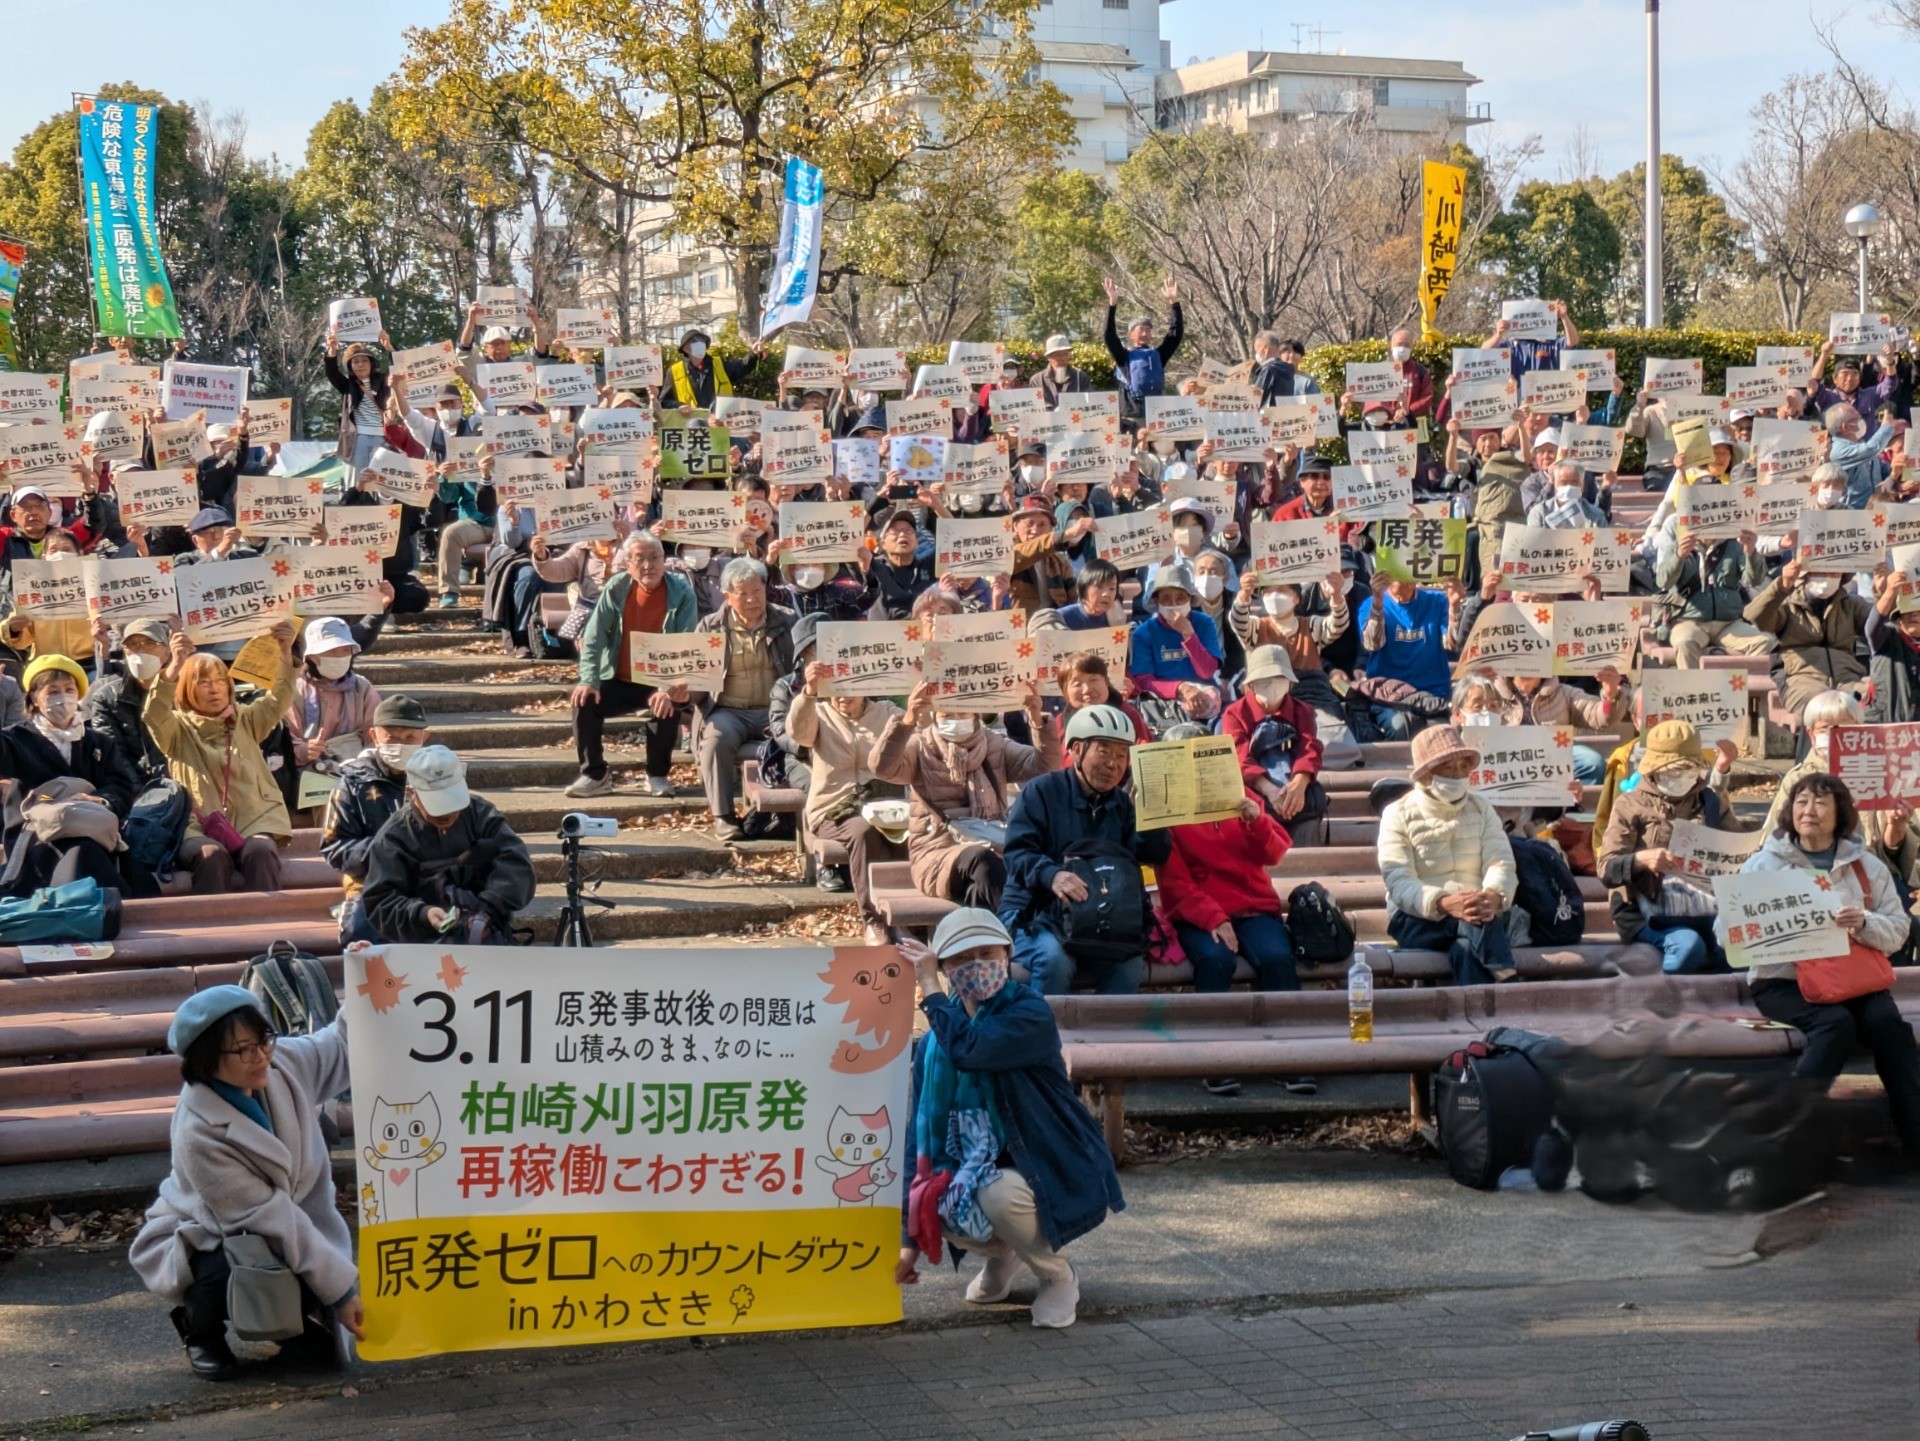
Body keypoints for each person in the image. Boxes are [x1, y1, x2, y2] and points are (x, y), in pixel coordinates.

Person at [894, 908, 1123, 1330]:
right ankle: (1005, 1256)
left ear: (1007, 954)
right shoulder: (932, 1045)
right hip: (986, 1174)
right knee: (933, 1195)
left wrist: (928, 987)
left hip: (1049, 1164)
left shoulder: (1028, 1013)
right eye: (962, 959)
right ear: (946, 966)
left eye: (987, 952)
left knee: (996, 1193)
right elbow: (917, 1142)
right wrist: (906, 1241)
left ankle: (1057, 1275)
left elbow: (971, 1049)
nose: (978, 965)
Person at [130, 987, 363, 1381]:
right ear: (205, 1061)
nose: (260, 1057)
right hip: (211, 1233)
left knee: (299, 1265)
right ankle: (199, 1328)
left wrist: (363, 986)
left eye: (263, 1040)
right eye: (242, 1050)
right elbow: (265, 1216)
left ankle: (288, 1323)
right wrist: (341, 1291)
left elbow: (339, 1045)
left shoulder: (281, 1064)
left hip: (288, 1227)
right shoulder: (198, 1130)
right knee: (233, 1265)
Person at [1740, 772, 1920, 1160]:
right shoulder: (1763, 865)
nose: (1810, 810)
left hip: (1854, 978)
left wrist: (1864, 923)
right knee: (1834, 1024)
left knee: (1888, 1025)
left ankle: (1915, 1136)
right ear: (1789, 810)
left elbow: (1899, 930)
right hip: (1784, 980)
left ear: (1841, 813)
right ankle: (1784, 1137)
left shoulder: (1866, 866)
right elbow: (1731, 931)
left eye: (1822, 802)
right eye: (1802, 801)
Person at [999, 704, 1171, 994]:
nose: (1113, 764)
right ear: (1077, 750)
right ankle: (1046, 1035)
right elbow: (1017, 853)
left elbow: (1151, 855)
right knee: (1055, 960)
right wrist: (1052, 875)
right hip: (1034, 912)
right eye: (1103, 752)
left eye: (1121, 755)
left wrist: (1154, 815)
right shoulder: (1041, 791)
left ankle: (1109, 1038)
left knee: (1128, 964)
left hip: (1100, 916)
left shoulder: (1123, 804)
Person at [871, 680, 1058, 909]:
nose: (956, 719)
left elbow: (1044, 767)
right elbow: (882, 768)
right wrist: (907, 720)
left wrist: (1038, 722)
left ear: (974, 713)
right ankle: (1017, 935)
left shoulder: (993, 745)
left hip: (995, 842)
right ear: (935, 715)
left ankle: (997, 938)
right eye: (947, 713)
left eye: (962, 711)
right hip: (938, 851)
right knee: (983, 862)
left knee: (985, 887)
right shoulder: (920, 747)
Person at [1158, 793, 1300, 1092]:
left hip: (1254, 906)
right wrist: (1213, 917)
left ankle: (1289, 1058)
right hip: (1198, 909)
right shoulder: (1169, 808)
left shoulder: (1243, 796)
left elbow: (1274, 853)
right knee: (1215, 958)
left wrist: (1257, 822)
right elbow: (1174, 884)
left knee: (1277, 958)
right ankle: (1213, 1060)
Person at [145, 623, 295, 894]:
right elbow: (154, 715)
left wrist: (285, 654)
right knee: (210, 855)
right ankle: (215, 932)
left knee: (260, 851)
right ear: (187, 689)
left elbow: (279, 698)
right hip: (197, 824)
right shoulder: (177, 729)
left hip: (253, 818)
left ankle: (270, 927)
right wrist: (174, 667)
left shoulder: (247, 718)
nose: (213, 690)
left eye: (219, 681)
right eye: (203, 682)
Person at [1597, 719, 1753, 974]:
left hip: (1708, 907)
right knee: (1688, 948)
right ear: (1654, 769)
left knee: (1742, 951)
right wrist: (1641, 860)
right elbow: (1606, 869)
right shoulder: (1629, 805)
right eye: (1672, 769)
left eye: (1689, 768)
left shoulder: (1711, 802)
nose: (1681, 775)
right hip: (1646, 911)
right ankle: (1662, 1000)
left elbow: (1738, 849)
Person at [1376, 724, 1519, 984]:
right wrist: (1442, 903)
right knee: (1473, 924)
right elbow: (1398, 880)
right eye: (1449, 769)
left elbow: (1500, 861)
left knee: (1464, 949)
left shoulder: (1481, 807)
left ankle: (1478, 1018)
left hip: (1478, 913)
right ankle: (1504, 974)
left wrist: (1493, 897)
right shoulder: (1397, 814)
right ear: (1427, 774)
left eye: (1463, 767)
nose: (1458, 775)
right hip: (1417, 918)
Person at [566, 532, 698, 800]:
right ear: (628, 564)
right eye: (640, 559)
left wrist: (665, 687)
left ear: (665, 560)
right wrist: (588, 679)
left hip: (659, 677)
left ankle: (657, 775)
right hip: (619, 676)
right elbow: (594, 636)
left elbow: (685, 643)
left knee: (668, 700)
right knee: (584, 700)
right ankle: (594, 774)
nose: (648, 565)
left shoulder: (682, 592)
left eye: (654, 558)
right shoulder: (617, 588)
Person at [361, 744, 536, 943]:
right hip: (423, 944)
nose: (448, 813)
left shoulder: (482, 814)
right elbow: (380, 902)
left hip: (487, 931)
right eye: (437, 805)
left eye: (453, 803)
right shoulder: (393, 837)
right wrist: (421, 913)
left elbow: (517, 865)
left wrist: (489, 906)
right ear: (412, 793)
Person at [0, 655, 141, 896]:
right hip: (38, 834)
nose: (62, 697)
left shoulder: (98, 742)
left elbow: (120, 785)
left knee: (88, 849)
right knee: (81, 852)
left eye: (68, 689)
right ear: (34, 697)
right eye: (52, 691)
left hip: (91, 827)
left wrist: (98, 800)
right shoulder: (14, 740)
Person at [789, 661, 904, 945]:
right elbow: (798, 733)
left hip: (884, 804)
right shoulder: (819, 713)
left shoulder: (886, 712)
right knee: (863, 831)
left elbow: (919, 729)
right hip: (835, 808)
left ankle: (905, 918)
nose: (843, 697)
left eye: (851, 689)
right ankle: (874, 919)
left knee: (914, 829)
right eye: (836, 690)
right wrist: (809, 692)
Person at [689, 558, 798, 841]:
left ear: (766, 590)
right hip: (728, 711)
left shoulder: (787, 621)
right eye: (742, 593)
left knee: (801, 736)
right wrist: (681, 694)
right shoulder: (710, 628)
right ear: (726, 595)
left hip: (775, 711)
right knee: (715, 740)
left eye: (757, 591)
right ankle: (724, 816)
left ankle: (787, 813)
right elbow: (699, 684)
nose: (751, 599)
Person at [321, 694, 431, 947]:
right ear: (374, 736)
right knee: (361, 933)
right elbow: (334, 847)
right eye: (391, 738)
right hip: (371, 882)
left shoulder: (440, 777)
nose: (401, 745)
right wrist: (388, 851)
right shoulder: (352, 782)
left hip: (432, 881)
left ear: (424, 738)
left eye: (410, 738)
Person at [1743, 553, 1870, 717]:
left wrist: (1885, 594)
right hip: (1799, 678)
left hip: (1848, 678)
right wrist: (1782, 585)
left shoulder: (1851, 604)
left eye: (1834, 573)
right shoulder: (1788, 603)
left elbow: (1880, 627)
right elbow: (1755, 616)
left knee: (1873, 702)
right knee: (1819, 709)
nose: (1827, 578)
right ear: (1807, 574)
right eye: (1821, 572)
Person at [1220, 645, 1326, 835]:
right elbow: (1238, 758)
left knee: (1313, 801)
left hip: (1295, 793)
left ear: (1289, 683)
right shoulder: (1234, 713)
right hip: (1255, 793)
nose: (1273, 684)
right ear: (1251, 684)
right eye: (1264, 680)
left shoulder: (1303, 711)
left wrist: (1299, 784)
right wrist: (1269, 790)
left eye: (1279, 679)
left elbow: (1309, 749)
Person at [1654, 519, 1775, 669]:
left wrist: (1750, 552)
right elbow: (1663, 582)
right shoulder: (1678, 545)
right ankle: (1693, 691)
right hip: (1688, 621)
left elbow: (1754, 580)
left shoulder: (1734, 545)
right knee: (1685, 643)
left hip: (1729, 623)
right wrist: (1679, 556)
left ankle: (1744, 689)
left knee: (1765, 642)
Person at [1355, 573, 1462, 738]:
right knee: (1400, 727)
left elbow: (1451, 644)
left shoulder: (1437, 601)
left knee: (1442, 734)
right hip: (1390, 697)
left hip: (1433, 694)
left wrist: (1454, 607)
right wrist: (1377, 604)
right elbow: (1372, 645)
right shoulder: (1369, 605)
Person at [1128, 565, 1222, 728]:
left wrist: (1188, 635)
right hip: (1164, 702)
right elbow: (1145, 681)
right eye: (1166, 598)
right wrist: (1181, 688)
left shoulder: (1204, 623)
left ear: (1190, 600)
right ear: (1156, 601)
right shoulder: (1144, 632)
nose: (1174, 604)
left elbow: (1207, 671)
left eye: (1180, 598)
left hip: (1204, 696)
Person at [286, 617, 381, 773]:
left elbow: (375, 731)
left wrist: (366, 760)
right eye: (332, 651)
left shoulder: (361, 687)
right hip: (307, 773)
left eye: (345, 650)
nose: (339, 656)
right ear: (312, 656)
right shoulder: (294, 689)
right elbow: (287, 736)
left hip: (356, 769)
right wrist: (303, 750)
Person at [83, 618, 172, 778]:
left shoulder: (183, 692)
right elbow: (114, 756)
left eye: (149, 643)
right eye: (133, 645)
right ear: (125, 652)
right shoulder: (106, 697)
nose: (141, 650)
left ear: (166, 653)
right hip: (137, 789)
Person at [1101, 275, 1182, 424]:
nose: (1145, 333)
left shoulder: (1158, 355)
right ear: (1130, 334)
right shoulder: (1124, 357)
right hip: (1132, 415)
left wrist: (1174, 303)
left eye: (1148, 330)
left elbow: (1175, 335)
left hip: (1157, 413)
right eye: (1141, 330)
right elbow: (1109, 336)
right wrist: (1112, 304)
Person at [322, 333, 393, 473]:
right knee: (357, 483)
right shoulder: (348, 385)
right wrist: (332, 350)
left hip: (382, 437)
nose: (360, 365)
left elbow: (396, 367)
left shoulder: (382, 380)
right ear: (350, 366)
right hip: (356, 438)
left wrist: (389, 347)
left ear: (371, 363)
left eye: (364, 361)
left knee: (381, 482)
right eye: (355, 362)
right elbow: (332, 372)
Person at [662, 328, 761, 410]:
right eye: (695, 341)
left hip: (719, 422)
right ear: (685, 348)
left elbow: (742, 367)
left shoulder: (718, 365)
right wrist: (679, 406)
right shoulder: (675, 371)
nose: (700, 344)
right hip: (691, 424)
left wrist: (753, 354)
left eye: (702, 341)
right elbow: (664, 401)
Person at [1035, 333, 1090, 409]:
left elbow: (1089, 403)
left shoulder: (1080, 377)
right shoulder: (1037, 380)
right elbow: (1034, 409)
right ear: (1048, 357)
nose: (1062, 358)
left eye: (1066, 354)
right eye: (1058, 355)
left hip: (1074, 418)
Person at [1250, 331, 1300, 408]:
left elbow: (1256, 399)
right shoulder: (1288, 369)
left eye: (1257, 350)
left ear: (1265, 349)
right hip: (1282, 415)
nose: (1256, 354)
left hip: (1267, 417)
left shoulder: (1269, 370)